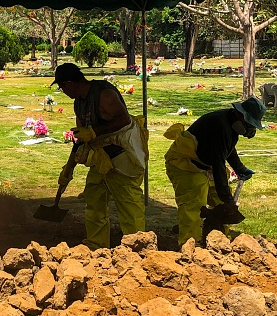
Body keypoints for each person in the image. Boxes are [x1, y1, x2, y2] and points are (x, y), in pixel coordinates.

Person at [53, 63, 148, 250]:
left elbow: (124, 120)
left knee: (129, 204)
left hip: (123, 156)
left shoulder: (104, 94)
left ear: (70, 83)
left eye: (62, 87)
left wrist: (94, 131)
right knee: (94, 200)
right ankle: (97, 246)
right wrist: (68, 168)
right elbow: (80, 138)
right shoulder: (78, 102)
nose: (62, 91)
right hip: (102, 158)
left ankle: (138, 248)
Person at [164, 97, 266, 246]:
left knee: (223, 209)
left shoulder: (231, 123)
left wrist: (239, 168)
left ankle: (220, 245)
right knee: (194, 208)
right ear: (239, 114)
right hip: (185, 163)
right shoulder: (219, 125)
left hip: (205, 163)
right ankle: (189, 250)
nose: (249, 129)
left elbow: (227, 148)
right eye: (249, 124)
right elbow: (218, 164)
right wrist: (228, 199)